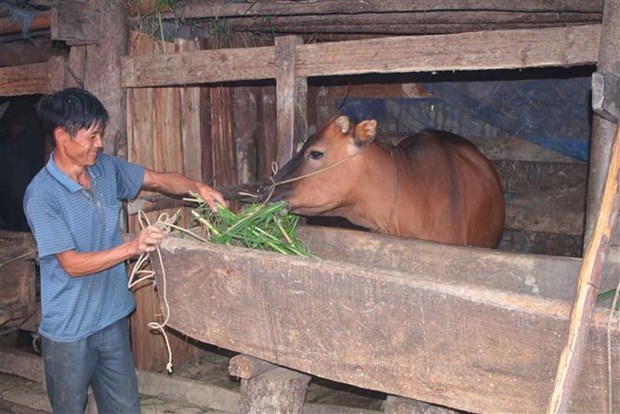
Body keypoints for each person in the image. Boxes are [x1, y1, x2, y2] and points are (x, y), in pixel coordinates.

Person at [23, 87, 226, 413]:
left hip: (113, 318)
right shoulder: (42, 196)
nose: (99, 144)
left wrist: (197, 187)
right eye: (91, 136)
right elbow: (71, 264)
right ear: (62, 135)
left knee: (125, 408)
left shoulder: (104, 169)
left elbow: (157, 179)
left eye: (99, 134)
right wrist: (131, 246)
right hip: (70, 333)